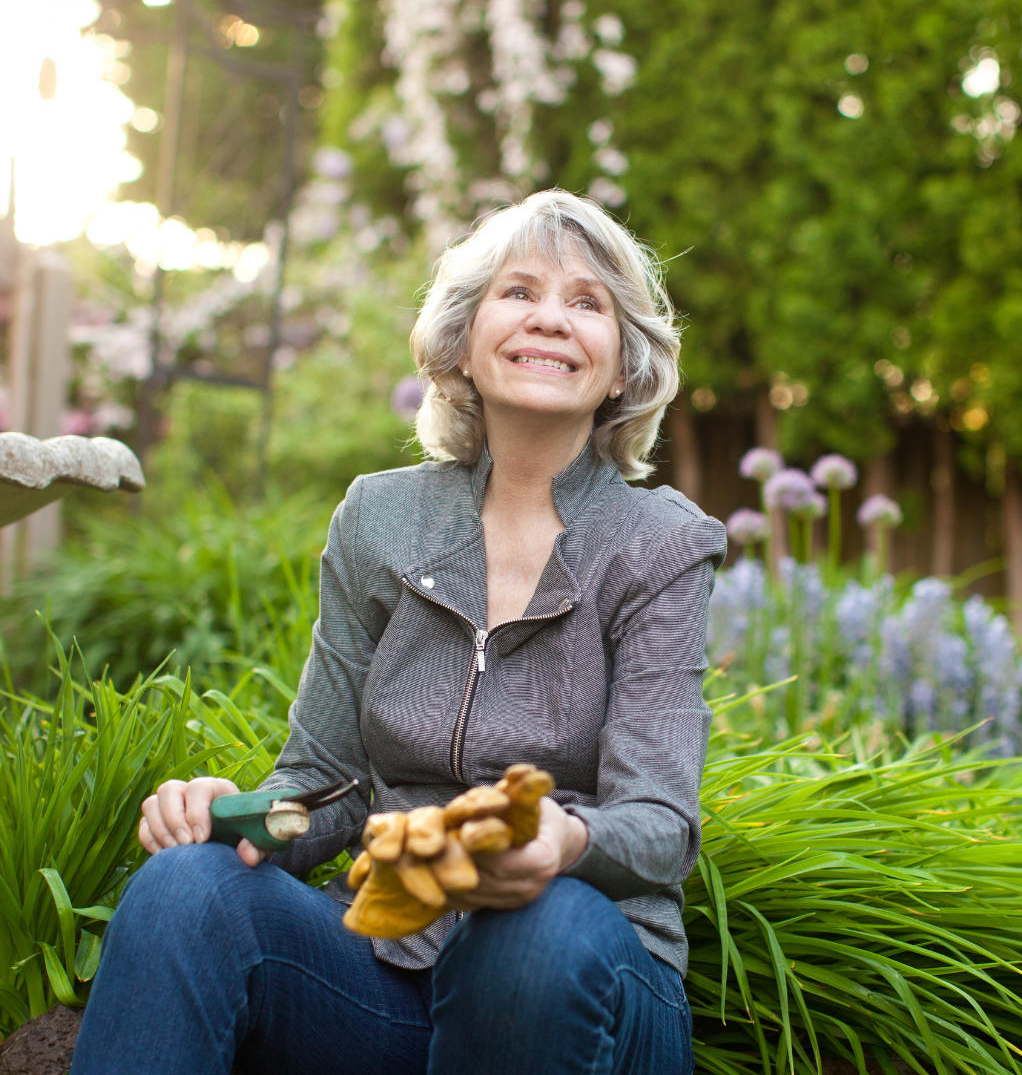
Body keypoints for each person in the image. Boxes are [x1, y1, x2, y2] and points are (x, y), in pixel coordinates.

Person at [71, 190, 726, 1075]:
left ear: (621, 368)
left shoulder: (661, 544)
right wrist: (238, 816)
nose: (550, 319)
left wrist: (562, 843)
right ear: (462, 340)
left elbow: (660, 826)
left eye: (587, 303)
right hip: (391, 978)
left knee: (531, 929)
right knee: (188, 889)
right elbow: (324, 786)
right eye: (518, 292)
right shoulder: (380, 519)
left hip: (591, 982)